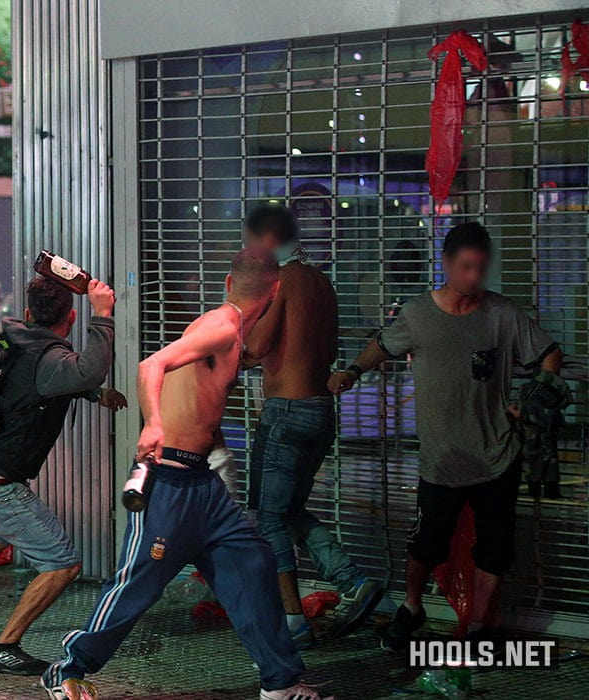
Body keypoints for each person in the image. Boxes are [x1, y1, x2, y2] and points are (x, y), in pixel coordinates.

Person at [43, 248, 333, 700]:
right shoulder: (220, 326)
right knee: (138, 584)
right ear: (275, 292)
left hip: (205, 486)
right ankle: (67, 669)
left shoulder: (234, 335)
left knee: (254, 564)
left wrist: (218, 459)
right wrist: (154, 422)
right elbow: (150, 365)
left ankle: (280, 683)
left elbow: (201, 406)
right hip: (168, 485)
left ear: (228, 282)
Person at [328, 222, 562, 650]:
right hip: (441, 460)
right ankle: (413, 607)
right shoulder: (418, 314)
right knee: (426, 544)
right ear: (447, 264)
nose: (474, 276)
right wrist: (353, 371)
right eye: (466, 266)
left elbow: (549, 353)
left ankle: (476, 628)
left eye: (481, 268)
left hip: (497, 456)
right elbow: (383, 343)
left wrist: (534, 399)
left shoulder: (503, 314)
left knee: (494, 549)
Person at [0, 275, 126, 675]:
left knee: (5, 531)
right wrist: (103, 314)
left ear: (29, 313)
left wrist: (92, 395)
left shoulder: (20, 340)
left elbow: (44, 383)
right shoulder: (50, 357)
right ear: (70, 318)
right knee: (62, 564)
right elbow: (85, 370)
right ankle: (4, 646)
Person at [242, 205, 383, 648]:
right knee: (291, 510)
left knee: (269, 518)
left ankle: (292, 623)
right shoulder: (324, 283)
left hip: (287, 409)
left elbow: (260, 345)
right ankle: (353, 582)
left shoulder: (286, 279)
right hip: (320, 410)